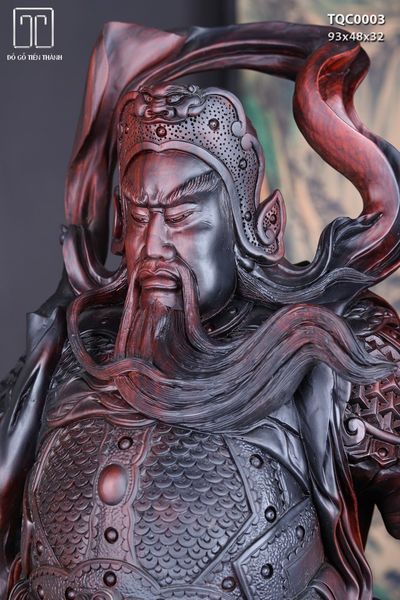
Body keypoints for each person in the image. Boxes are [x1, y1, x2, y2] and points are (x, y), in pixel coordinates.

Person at [3, 82, 399, 600]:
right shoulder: (68, 358)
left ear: (259, 226)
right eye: (139, 217)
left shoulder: (330, 357)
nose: (153, 245)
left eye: (182, 217)